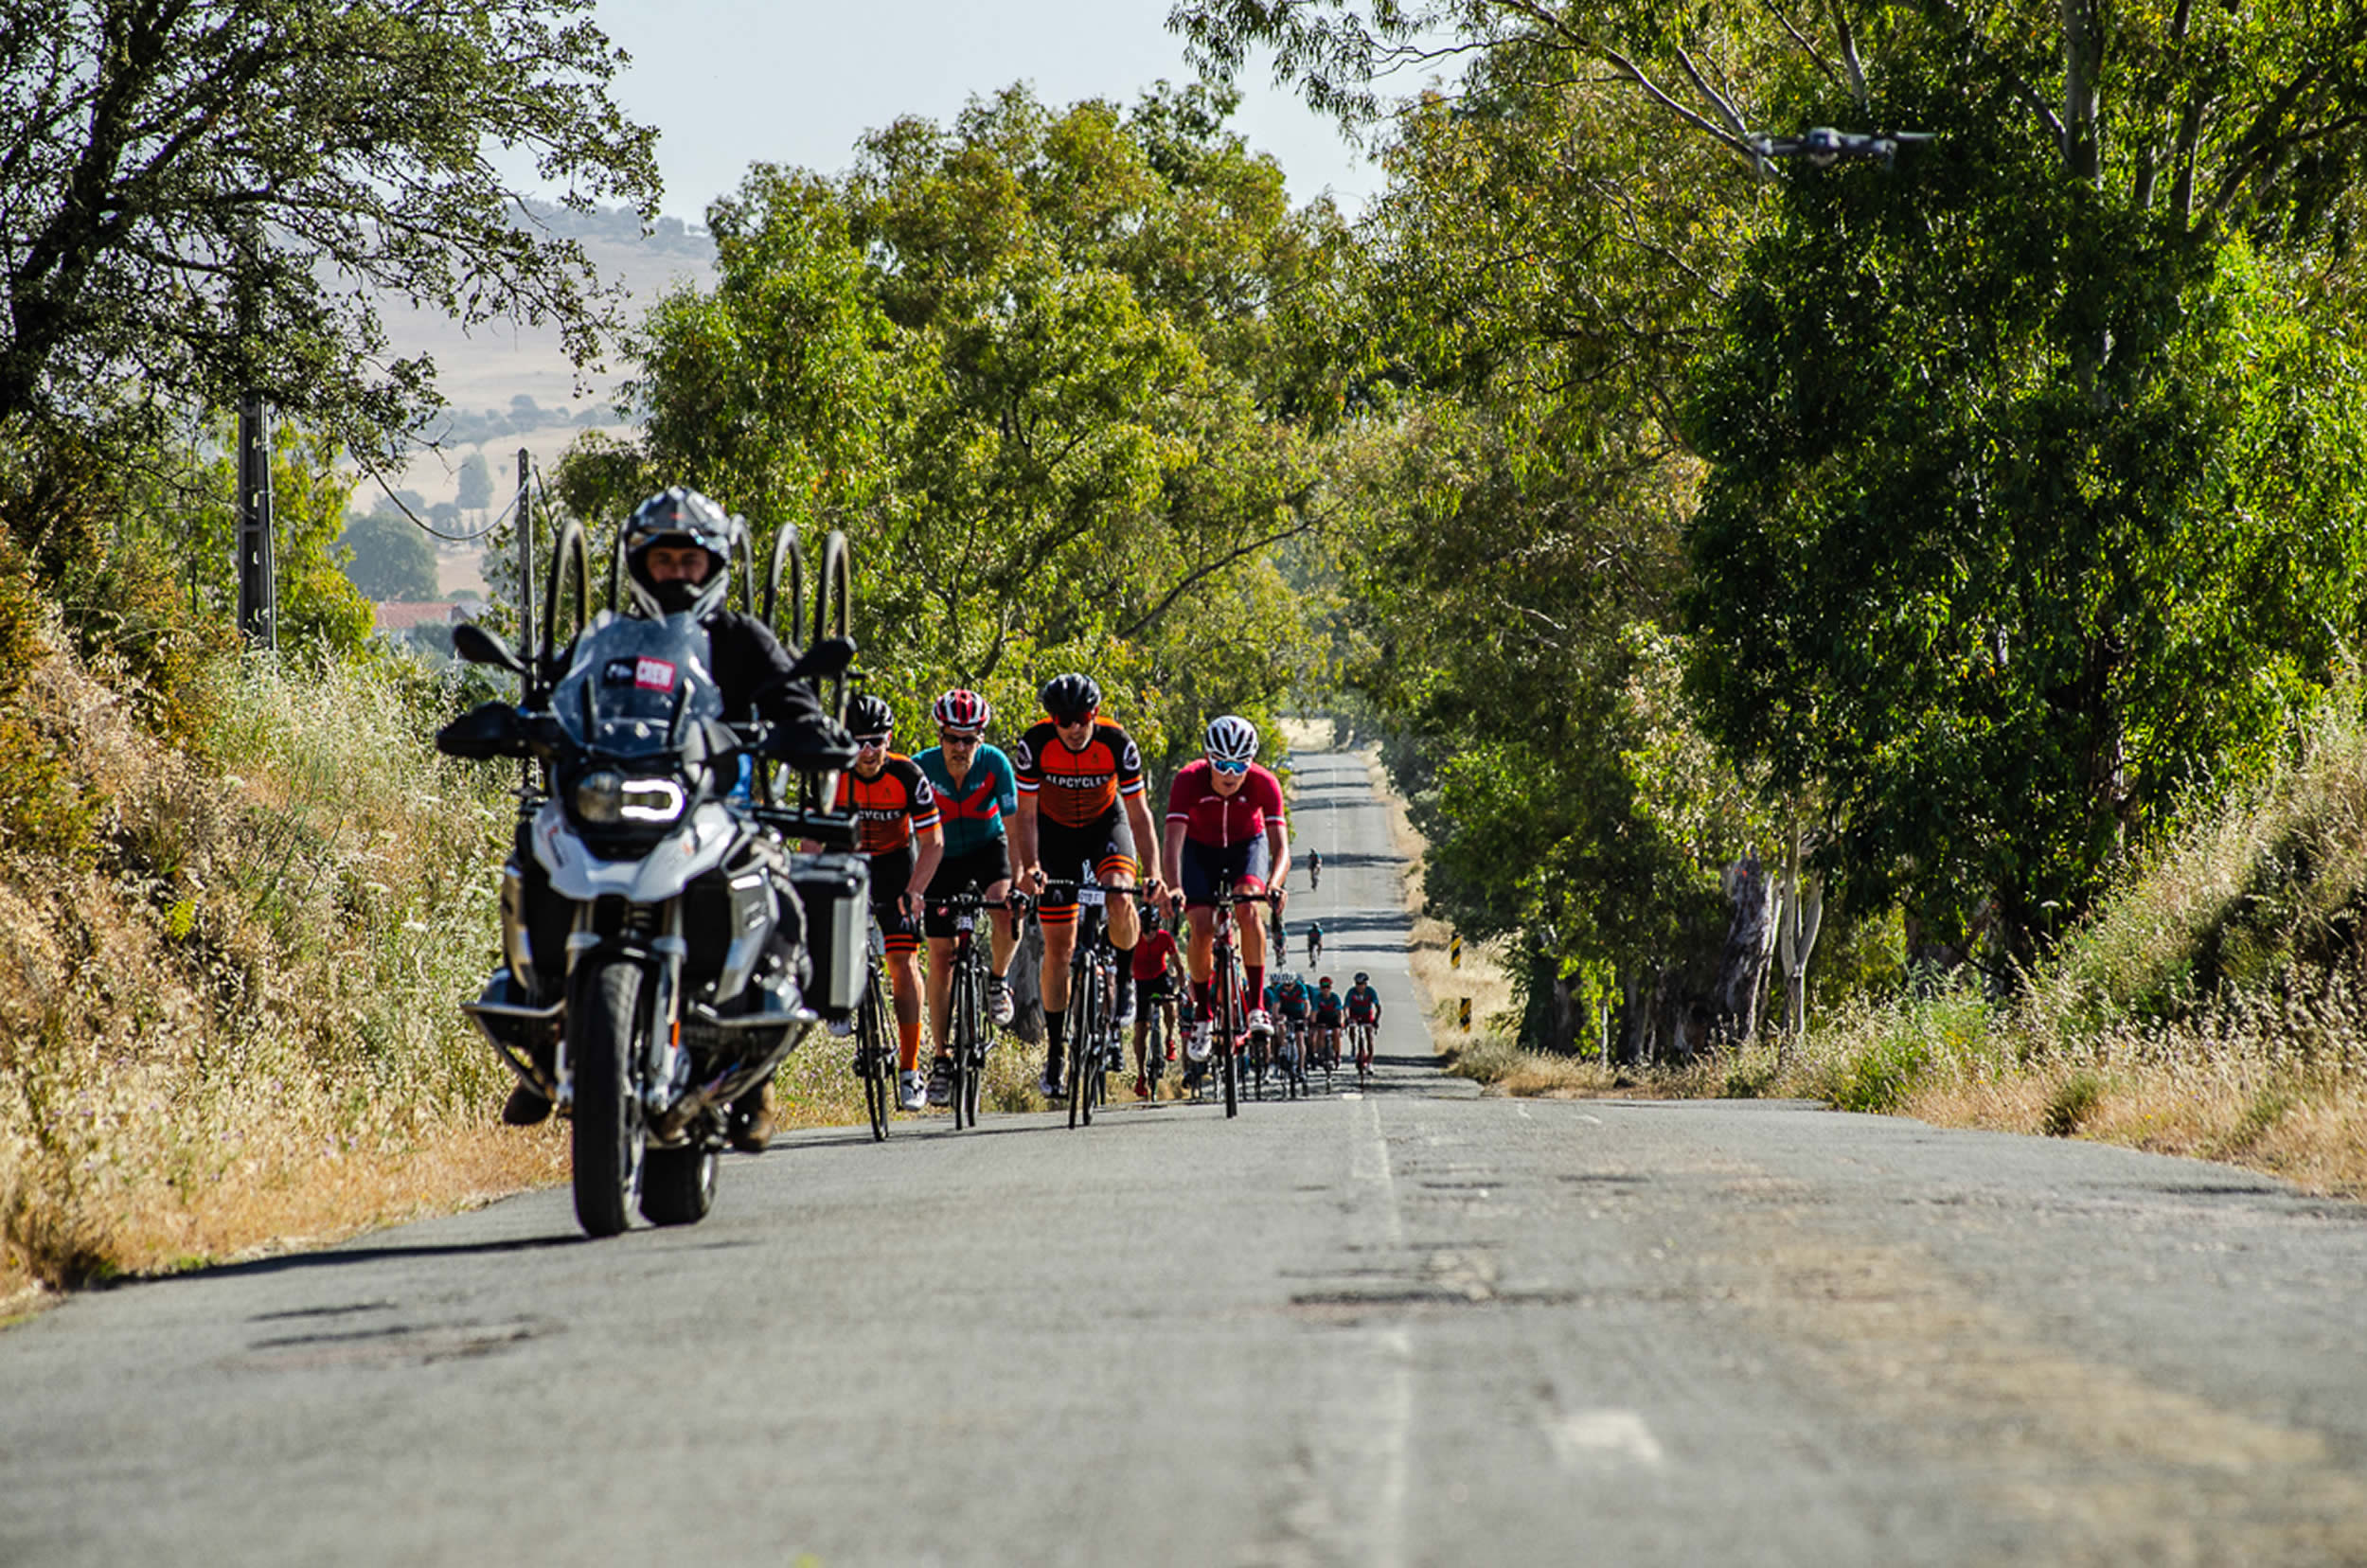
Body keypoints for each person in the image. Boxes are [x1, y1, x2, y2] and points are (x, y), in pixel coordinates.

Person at [499, 486, 844, 1152]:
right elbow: (554, 699)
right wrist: (512, 725)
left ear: (713, 567)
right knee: (534, 856)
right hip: (611, 797)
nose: (678, 574)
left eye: (691, 562)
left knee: (776, 885)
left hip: (717, 809)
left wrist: (810, 733)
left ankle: (756, 1070)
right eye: (665, 562)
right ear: (641, 566)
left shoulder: (740, 638)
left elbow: (796, 702)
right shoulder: (606, 636)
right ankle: (544, 1029)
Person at [1011, 673, 1165, 1099]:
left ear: (1094, 714)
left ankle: (1126, 977)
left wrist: (1153, 873)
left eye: (1081, 718)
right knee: (1058, 948)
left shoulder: (1117, 743)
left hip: (1105, 825)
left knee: (1119, 895)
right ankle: (1057, 1054)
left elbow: (1138, 815)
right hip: (1054, 831)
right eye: (1064, 720)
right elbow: (1024, 817)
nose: (1074, 728)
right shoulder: (1035, 744)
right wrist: (1031, 865)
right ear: (1052, 719)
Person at [835, 693, 945, 1113]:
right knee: (832, 924)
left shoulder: (907, 774)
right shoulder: (834, 773)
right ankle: (841, 996)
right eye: (859, 741)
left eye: (877, 741)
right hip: (848, 861)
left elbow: (933, 842)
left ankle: (909, 1070)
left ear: (889, 739)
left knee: (903, 965)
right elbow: (812, 841)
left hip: (896, 867)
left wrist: (915, 891)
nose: (868, 751)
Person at [915, 688, 1020, 1107]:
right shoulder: (921, 767)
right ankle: (940, 1059)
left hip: (986, 847)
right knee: (939, 959)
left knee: (1006, 905)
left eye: (969, 738)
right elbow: (906, 833)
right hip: (938, 854)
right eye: (952, 738)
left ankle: (997, 980)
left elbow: (1014, 832)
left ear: (981, 738)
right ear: (940, 736)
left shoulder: (995, 763)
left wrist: (1022, 881)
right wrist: (913, 887)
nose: (961, 747)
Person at [1163, 714, 1289, 1060]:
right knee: (1201, 927)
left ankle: (1257, 1008)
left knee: (1249, 908)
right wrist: (1174, 887)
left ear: (1251, 761)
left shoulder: (1264, 783)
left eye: (1239, 764)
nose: (1231, 774)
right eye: (1221, 764)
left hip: (1247, 846)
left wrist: (1275, 885)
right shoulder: (1188, 780)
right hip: (1199, 850)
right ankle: (1203, 1014)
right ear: (1208, 759)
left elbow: (1281, 848)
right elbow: (1172, 845)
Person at [1129, 905, 1183, 1097]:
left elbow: (1178, 965)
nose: (1151, 933)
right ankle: (1141, 1075)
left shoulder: (1164, 938)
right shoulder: (1133, 939)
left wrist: (1182, 989)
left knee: (1169, 1004)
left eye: (1154, 927)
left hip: (1160, 977)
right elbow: (1124, 965)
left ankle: (1169, 1038)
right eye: (1147, 928)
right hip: (1140, 981)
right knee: (1140, 1030)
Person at [1344, 971, 1382, 1069]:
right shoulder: (1351, 992)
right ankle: (1353, 1045)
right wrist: (1347, 1018)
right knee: (1352, 1028)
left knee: (1369, 1036)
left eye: (1361, 984)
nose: (1359, 986)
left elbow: (1378, 1007)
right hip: (1354, 1013)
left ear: (1365, 984)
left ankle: (1370, 1062)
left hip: (1366, 1014)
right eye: (1357, 984)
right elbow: (1346, 1007)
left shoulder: (1370, 991)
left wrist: (1376, 1020)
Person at [1311, 975, 1345, 1070]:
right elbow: (1314, 1012)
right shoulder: (1317, 998)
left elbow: (1340, 1012)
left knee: (1336, 1033)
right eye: (1323, 987)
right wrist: (1313, 1023)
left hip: (1333, 1018)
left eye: (1328, 987)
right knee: (1321, 1033)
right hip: (1322, 1018)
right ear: (1320, 988)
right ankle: (1321, 1053)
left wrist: (1341, 1022)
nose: (1325, 990)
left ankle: (1337, 1055)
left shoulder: (1335, 997)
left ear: (1330, 988)